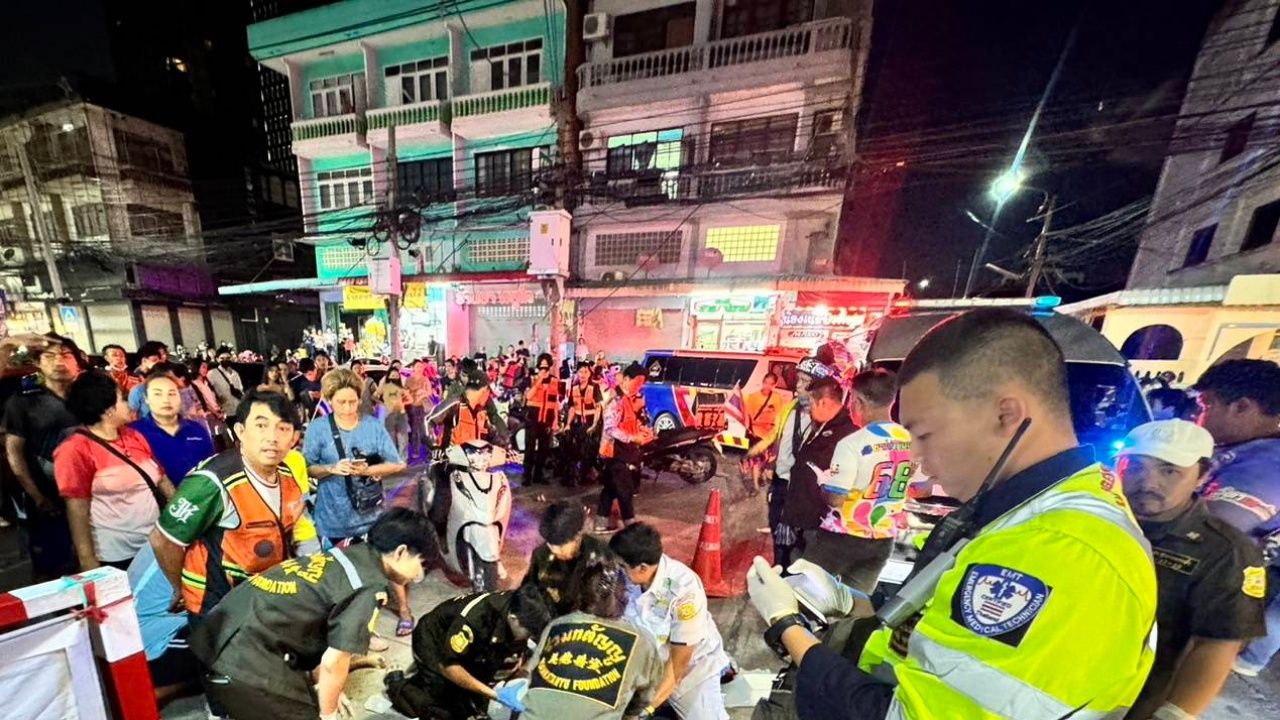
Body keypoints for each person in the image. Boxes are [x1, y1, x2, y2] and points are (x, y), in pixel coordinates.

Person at [745, 308, 1158, 720]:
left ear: (1007, 415)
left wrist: (786, 626)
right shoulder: (1031, 511)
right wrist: (855, 602)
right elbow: (940, 628)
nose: (918, 460)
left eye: (925, 435)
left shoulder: (1059, 550)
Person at [190, 508, 434, 720]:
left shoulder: (344, 555)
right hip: (245, 660)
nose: (417, 576)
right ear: (401, 552)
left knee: (307, 697)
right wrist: (328, 713)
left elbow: (320, 633)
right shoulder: (368, 586)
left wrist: (329, 687)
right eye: (421, 565)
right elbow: (333, 661)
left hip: (214, 636)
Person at [1116, 420, 1266, 720]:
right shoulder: (1101, 519)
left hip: (1133, 700)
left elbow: (1217, 644)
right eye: (1136, 467)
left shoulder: (1226, 553)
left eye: (1169, 471)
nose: (1147, 483)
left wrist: (1174, 714)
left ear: (1203, 475)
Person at [149, 389, 307, 616]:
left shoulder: (286, 476)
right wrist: (179, 587)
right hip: (218, 605)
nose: (272, 437)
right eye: (261, 425)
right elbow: (162, 540)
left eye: (282, 428)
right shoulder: (212, 482)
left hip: (263, 597)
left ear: (294, 438)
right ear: (240, 431)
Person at [1192, 359, 1280, 677]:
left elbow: (1204, 532)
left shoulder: (1266, 466)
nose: (1198, 416)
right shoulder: (1247, 450)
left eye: (1207, 405)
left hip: (1206, 595)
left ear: (1241, 406)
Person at [55, 370, 175, 571]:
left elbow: (161, 478)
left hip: (157, 544)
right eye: (122, 399)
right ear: (108, 410)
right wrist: (87, 560)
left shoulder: (133, 436)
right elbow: (77, 510)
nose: (129, 404)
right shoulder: (75, 449)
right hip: (116, 556)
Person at [807, 368, 914, 592]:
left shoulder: (852, 444)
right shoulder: (910, 440)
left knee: (806, 592)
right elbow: (919, 488)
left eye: (851, 400)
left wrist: (824, 484)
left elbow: (836, 499)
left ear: (859, 402)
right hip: (883, 538)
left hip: (843, 536)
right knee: (855, 601)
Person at [611, 523, 729, 720]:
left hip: (689, 668)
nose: (616, 571)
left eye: (622, 567)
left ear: (643, 568)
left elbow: (677, 666)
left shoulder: (684, 591)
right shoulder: (626, 578)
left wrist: (643, 711)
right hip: (643, 661)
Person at [523, 557, 665, 720]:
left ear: (582, 594)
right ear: (625, 597)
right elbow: (643, 699)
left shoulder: (557, 626)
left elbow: (530, 674)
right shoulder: (642, 641)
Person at [386, 584, 552, 719]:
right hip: (434, 643)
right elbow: (449, 666)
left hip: (476, 647)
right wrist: (494, 695)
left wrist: (522, 673)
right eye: (529, 633)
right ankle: (397, 684)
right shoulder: (476, 619)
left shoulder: (521, 609)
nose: (531, 637)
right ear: (513, 619)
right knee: (446, 711)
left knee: (477, 698)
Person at [3, 334, 84, 578]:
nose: (59, 361)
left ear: (77, 361)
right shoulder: (24, 401)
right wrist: (36, 495)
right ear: (38, 363)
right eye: (49, 356)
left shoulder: (90, 394)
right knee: (54, 567)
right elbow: (14, 451)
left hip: (94, 496)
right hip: (49, 497)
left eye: (66, 355)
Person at [304, 368, 406, 545]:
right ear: (329, 400)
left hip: (372, 519)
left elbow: (397, 464)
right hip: (332, 522)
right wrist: (331, 468)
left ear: (360, 399)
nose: (347, 408)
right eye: (341, 402)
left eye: (352, 402)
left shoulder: (373, 426)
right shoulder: (317, 429)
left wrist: (368, 470)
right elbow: (307, 469)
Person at [747, 357, 833, 566]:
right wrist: (757, 453)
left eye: (805, 381)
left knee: (799, 541)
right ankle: (780, 570)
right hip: (781, 483)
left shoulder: (826, 417)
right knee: (778, 533)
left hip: (804, 489)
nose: (798, 385)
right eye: (798, 379)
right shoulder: (790, 407)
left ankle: (793, 575)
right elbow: (777, 436)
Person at [782, 377, 856, 562]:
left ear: (823, 402)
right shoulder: (823, 426)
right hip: (805, 522)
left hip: (820, 526)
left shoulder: (846, 434)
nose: (809, 409)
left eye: (812, 403)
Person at [521, 500, 612, 614]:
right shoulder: (541, 555)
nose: (554, 550)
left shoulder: (600, 558)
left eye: (560, 546)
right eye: (550, 544)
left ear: (577, 536)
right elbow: (528, 592)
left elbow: (608, 605)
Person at [596, 363, 655, 533]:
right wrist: (633, 438)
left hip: (624, 451)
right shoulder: (616, 400)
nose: (639, 387)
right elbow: (610, 429)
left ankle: (600, 523)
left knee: (610, 489)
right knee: (625, 489)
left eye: (642, 384)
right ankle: (631, 526)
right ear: (627, 379)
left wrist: (642, 431)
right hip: (614, 452)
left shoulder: (629, 400)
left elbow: (631, 423)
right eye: (638, 383)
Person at [131, 370, 215, 485]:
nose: (166, 400)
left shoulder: (197, 430)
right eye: (158, 394)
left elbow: (213, 468)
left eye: (171, 394)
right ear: (146, 399)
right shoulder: (134, 433)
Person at [742, 372, 786, 496]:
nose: (767, 386)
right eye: (765, 383)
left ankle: (761, 477)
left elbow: (779, 416)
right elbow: (747, 416)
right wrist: (750, 428)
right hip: (756, 434)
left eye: (770, 384)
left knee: (765, 459)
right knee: (756, 462)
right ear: (762, 382)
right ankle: (755, 486)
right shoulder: (753, 397)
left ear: (775, 385)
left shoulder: (777, 398)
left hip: (769, 435)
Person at [524, 352, 563, 486]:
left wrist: (556, 420)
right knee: (529, 449)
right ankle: (527, 476)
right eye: (541, 367)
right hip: (532, 419)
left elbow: (556, 403)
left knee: (544, 449)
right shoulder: (532, 379)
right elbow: (528, 396)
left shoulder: (555, 381)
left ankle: (538, 475)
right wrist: (539, 381)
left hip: (547, 419)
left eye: (546, 367)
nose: (544, 370)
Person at [566, 360, 605, 484]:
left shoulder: (594, 387)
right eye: (580, 372)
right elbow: (572, 408)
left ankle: (586, 474)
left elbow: (598, 407)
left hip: (592, 423)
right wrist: (568, 424)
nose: (583, 374)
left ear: (589, 373)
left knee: (590, 451)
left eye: (585, 372)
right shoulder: (574, 388)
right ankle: (577, 475)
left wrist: (594, 425)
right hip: (579, 423)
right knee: (577, 449)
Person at [127, 341, 169, 415]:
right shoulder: (134, 378)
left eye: (164, 354)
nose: (158, 362)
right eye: (154, 360)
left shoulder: (162, 372)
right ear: (144, 360)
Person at [207, 349, 245, 420]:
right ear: (217, 359)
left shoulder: (235, 373)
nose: (225, 360)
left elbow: (241, 390)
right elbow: (208, 392)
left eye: (228, 358)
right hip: (225, 413)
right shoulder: (212, 374)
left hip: (238, 411)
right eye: (222, 358)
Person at [380, 379, 410, 460]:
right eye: (392, 375)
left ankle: (403, 460)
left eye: (396, 375)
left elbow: (410, 399)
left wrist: (401, 403)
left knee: (402, 438)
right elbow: (375, 395)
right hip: (389, 415)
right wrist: (383, 404)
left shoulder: (401, 388)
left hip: (401, 414)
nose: (394, 377)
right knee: (391, 438)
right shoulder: (384, 386)